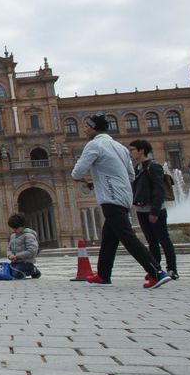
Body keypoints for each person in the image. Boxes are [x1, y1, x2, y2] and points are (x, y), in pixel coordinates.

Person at [71, 115, 166, 289]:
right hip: (124, 196)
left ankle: (156, 272)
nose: (84, 129)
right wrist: (100, 178)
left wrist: (91, 179)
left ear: (93, 128)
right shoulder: (120, 147)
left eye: (86, 126)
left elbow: (77, 173)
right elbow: (130, 175)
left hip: (110, 197)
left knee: (127, 236)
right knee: (109, 237)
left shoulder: (94, 145)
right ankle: (103, 275)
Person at [129, 139, 179, 285]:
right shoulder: (136, 168)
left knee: (164, 240)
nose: (130, 153)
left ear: (141, 151)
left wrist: (155, 211)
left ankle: (172, 269)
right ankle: (155, 269)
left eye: (132, 150)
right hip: (141, 209)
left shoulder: (154, 167)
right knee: (151, 241)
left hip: (154, 210)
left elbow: (159, 189)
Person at [5, 213, 40, 279]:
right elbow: (9, 248)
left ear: (22, 226)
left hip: (26, 262)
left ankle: (33, 270)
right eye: (13, 228)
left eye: (16, 228)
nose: (14, 230)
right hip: (16, 262)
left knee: (16, 274)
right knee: (7, 272)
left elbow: (32, 251)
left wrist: (17, 256)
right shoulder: (13, 236)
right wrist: (10, 255)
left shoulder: (28, 235)